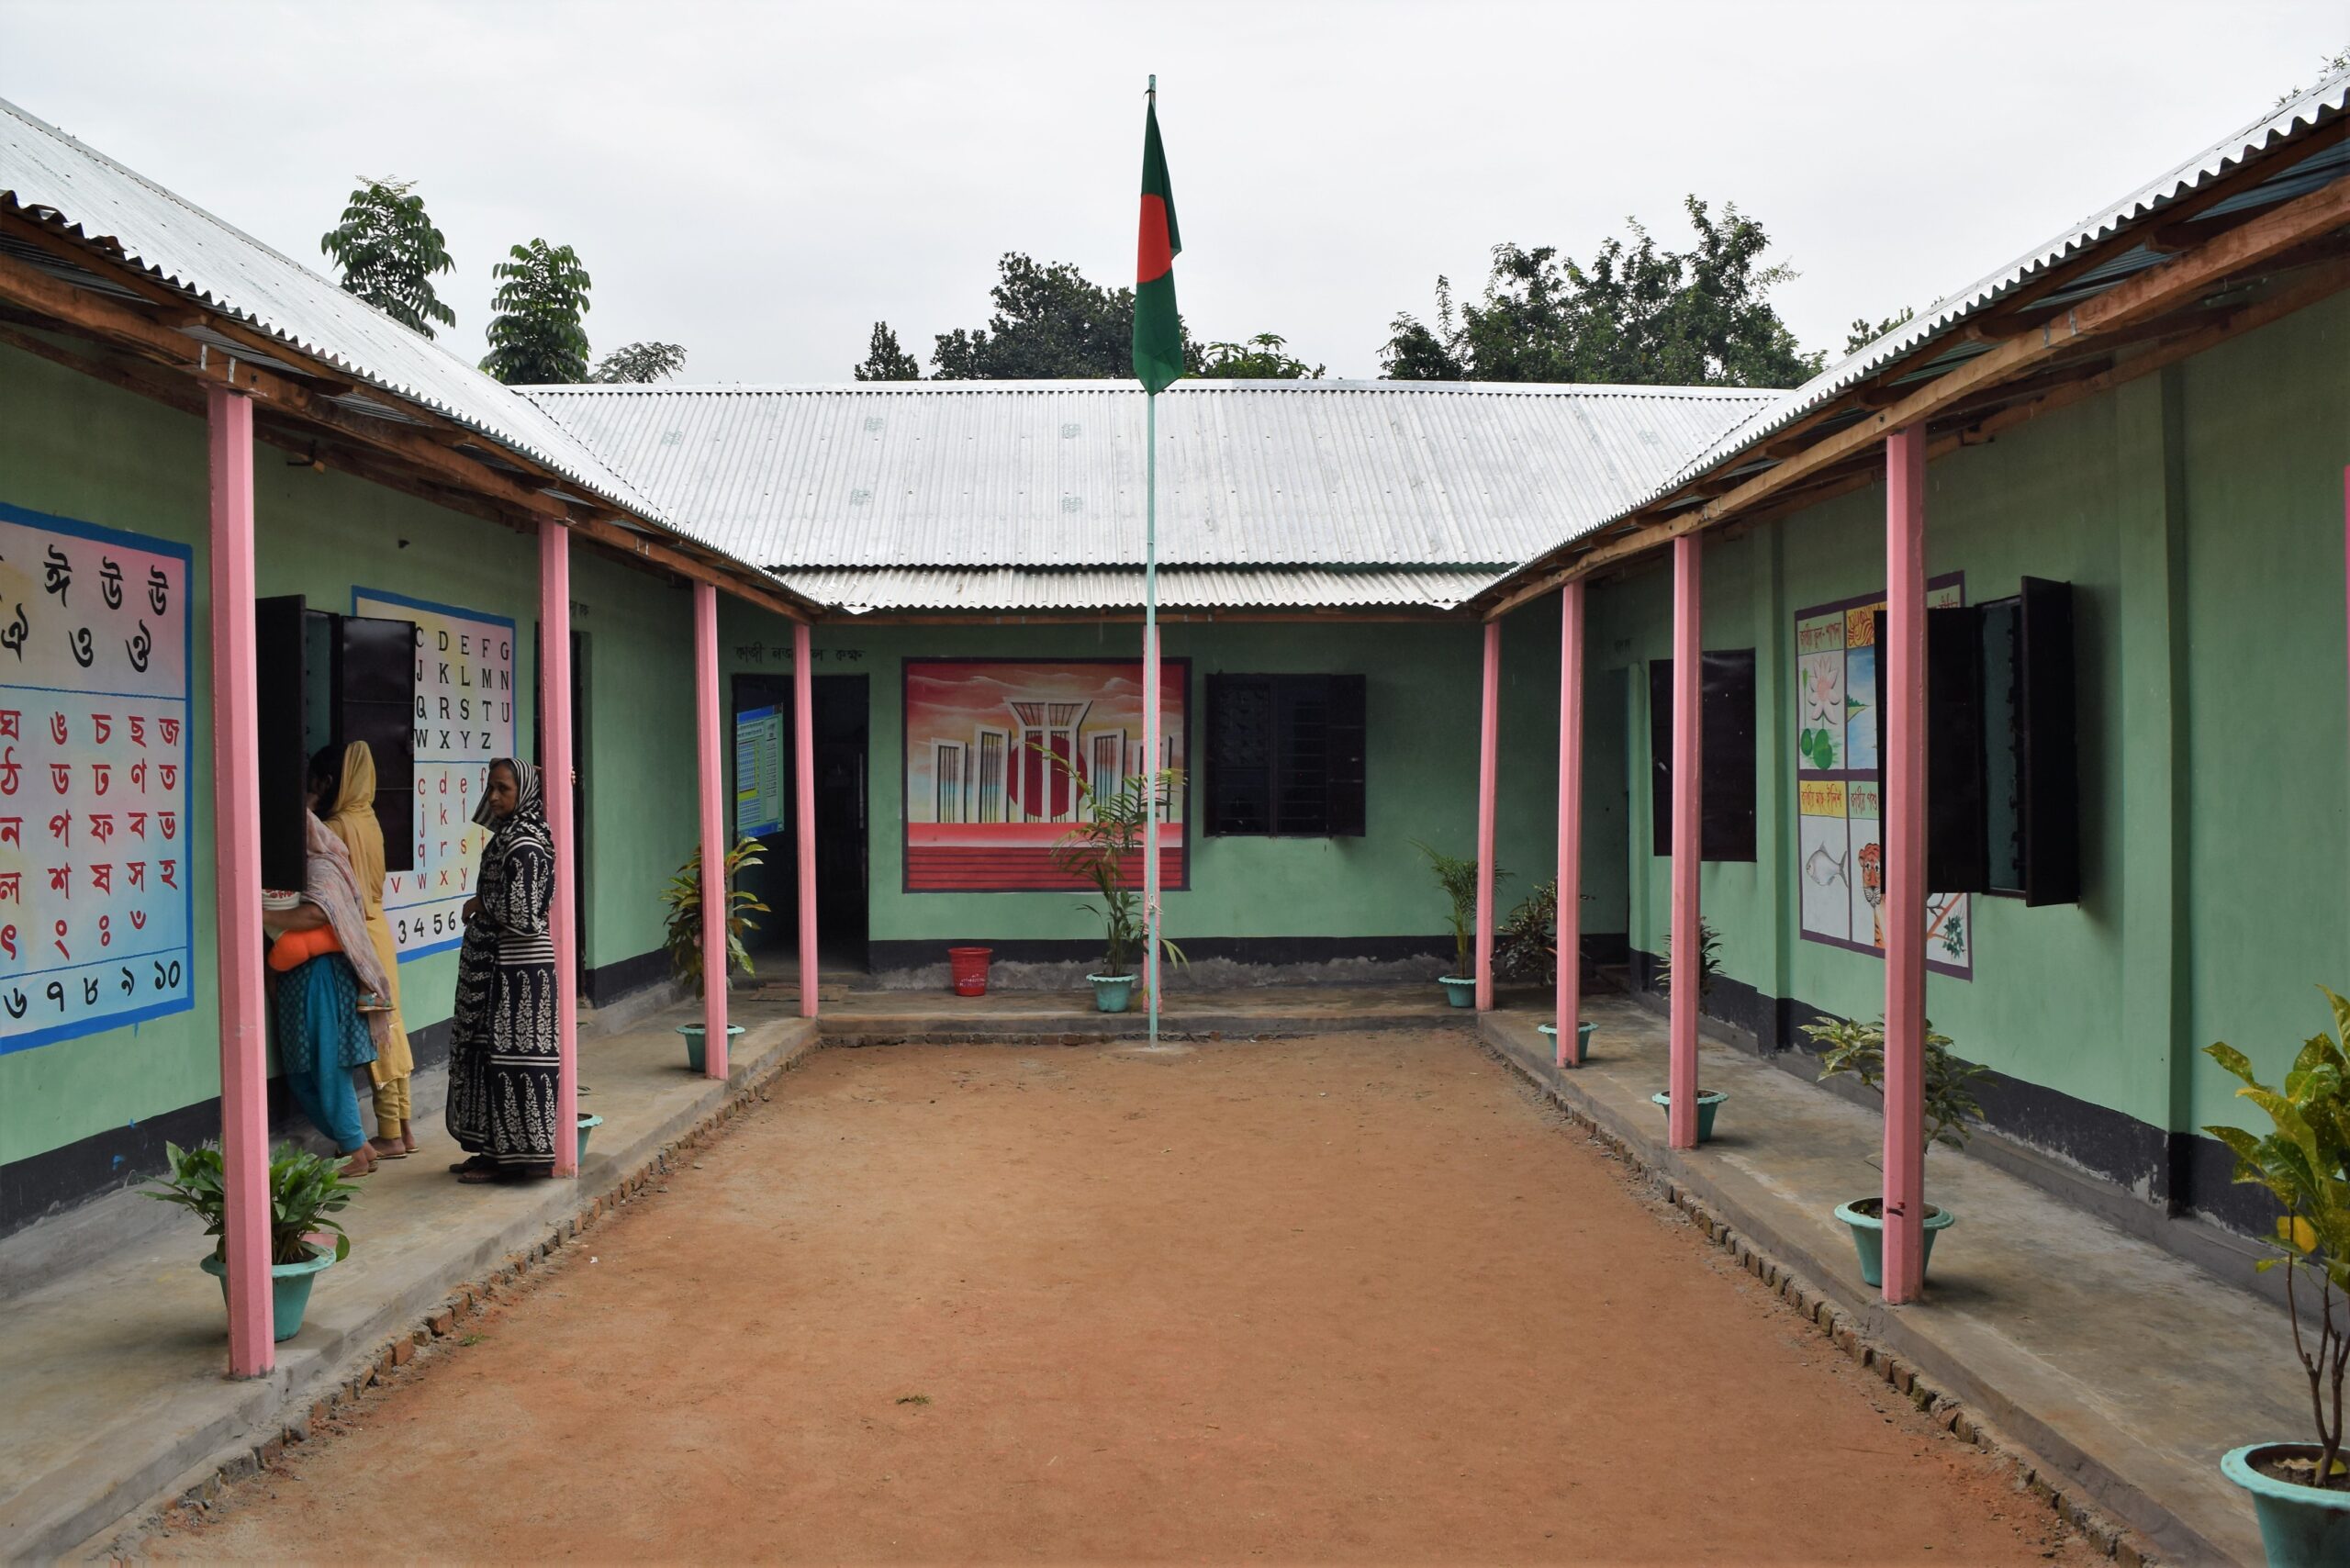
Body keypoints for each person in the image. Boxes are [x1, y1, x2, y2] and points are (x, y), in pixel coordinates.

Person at [264, 803, 396, 1178]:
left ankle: (354, 1148)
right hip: (298, 981)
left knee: (327, 1067)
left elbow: (319, 913)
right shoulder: (292, 869)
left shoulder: (323, 865)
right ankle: (360, 1146)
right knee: (304, 1072)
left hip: (321, 978)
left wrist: (263, 916)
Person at [444, 758, 560, 1182]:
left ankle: (510, 1160)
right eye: (490, 787)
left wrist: (479, 905)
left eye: (502, 789)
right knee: (485, 1056)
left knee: (511, 1064)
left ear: (524, 793)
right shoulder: (510, 833)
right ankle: (490, 1151)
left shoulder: (525, 841)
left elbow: (527, 914)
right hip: (497, 969)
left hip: (517, 974)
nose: (493, 797)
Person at [313, 743, 418, 1160]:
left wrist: (307, 808)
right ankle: (404, 1127)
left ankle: (389, 1133)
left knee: (375, 1031)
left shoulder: (337, 826)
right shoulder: (370, 820)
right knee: (392, 1025)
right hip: (381, 931)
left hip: (359, 936)